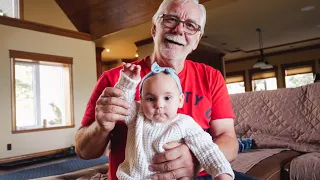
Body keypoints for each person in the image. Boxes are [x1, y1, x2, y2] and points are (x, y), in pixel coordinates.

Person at [76, 0, 257, 179]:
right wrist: (101, 127)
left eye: (191, 25)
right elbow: (83, 151)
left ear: (197, 40)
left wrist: (195, 159)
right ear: (155, 28)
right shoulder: (118, 79)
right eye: (171, 19)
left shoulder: (211, 77)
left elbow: (229, 141)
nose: (179, 30)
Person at [114, 62, 234, 180]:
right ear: (141, 100)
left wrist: (222, 172)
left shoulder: (185, 124)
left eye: (167, 98)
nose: (159, 104)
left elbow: (207, 149)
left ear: (180, 100)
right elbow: (121, 104)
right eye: (151, 99)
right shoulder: (137, 117)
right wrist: (127, 82)